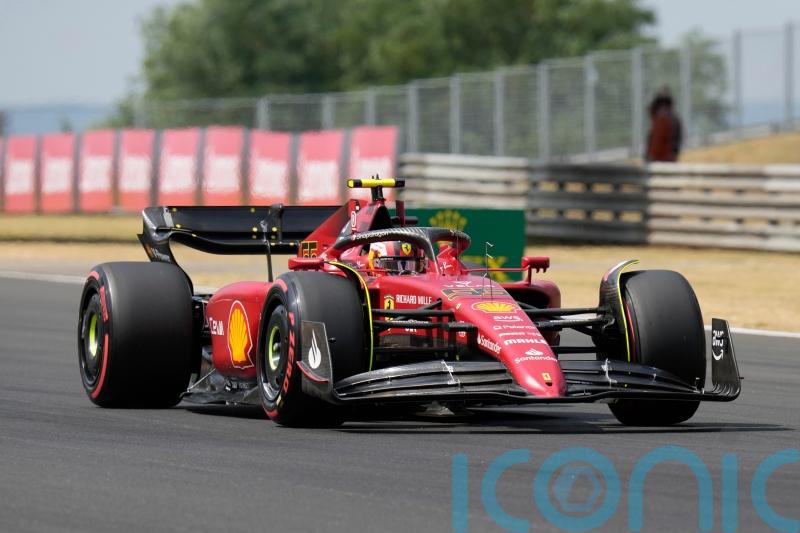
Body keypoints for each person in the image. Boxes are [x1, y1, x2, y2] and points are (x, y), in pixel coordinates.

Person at [645, 88, 683, 162]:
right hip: (672, 160)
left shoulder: (661, 119)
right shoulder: (674, 117)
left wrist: (649, 159)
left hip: (661, 161)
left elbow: (655, 146)